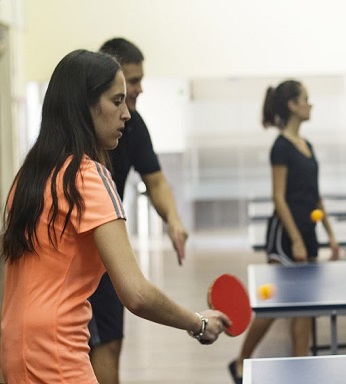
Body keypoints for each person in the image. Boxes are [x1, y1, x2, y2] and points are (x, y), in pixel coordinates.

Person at [0, 49, 229, 384]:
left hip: (14, 349)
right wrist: (198, 323)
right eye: (116, 101)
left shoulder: (29, 176)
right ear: (85, 106)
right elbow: (135, 293)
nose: (126, 114)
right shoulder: (87, 177)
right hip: (57, 355)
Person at [87, 37, 189, 384]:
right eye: (131, 82)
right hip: (83, 255)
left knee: (110, 343)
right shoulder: (81, 163)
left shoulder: (133, 124)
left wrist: (173, 220)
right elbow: (140, 295)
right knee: (92, 347)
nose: (138, 90)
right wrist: (197, 322)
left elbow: (156, 181)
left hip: (106, 252)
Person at [228, 80, 340, 384]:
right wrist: (295, 239)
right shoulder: (280, 146)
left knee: (305, 307)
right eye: (306, 98)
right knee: (275, 305)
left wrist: (330, 234)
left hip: (309, 231)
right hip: (285, 235)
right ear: (292, 105)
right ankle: (240, 361)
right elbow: (279, 196)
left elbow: (316, 196)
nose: (310, 104)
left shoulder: (308, 146)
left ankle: (301, 370)